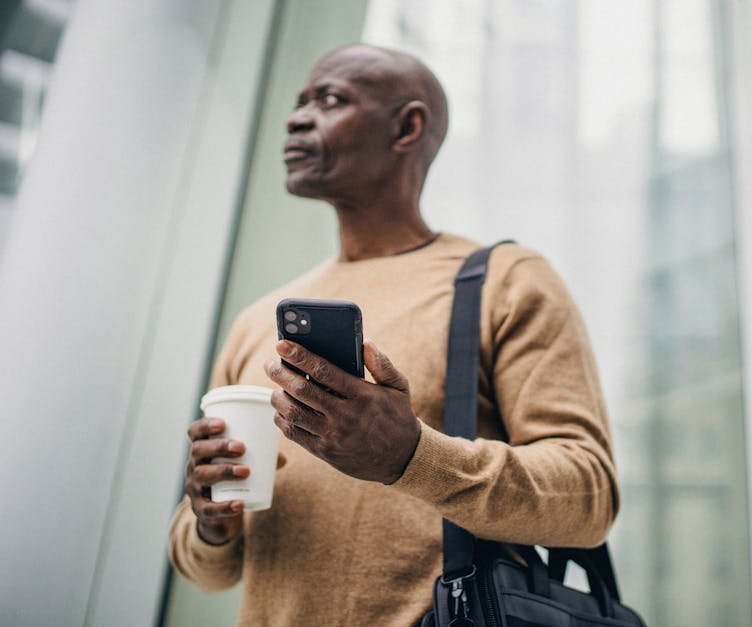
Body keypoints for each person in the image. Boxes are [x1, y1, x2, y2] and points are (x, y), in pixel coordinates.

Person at [168, 43, 619, 626]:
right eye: (299, 101)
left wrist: (411, 455)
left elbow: (589, 498)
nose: (296, 117)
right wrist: (210, 519)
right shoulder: (257, 321)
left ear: (407, 127)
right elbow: (210, 572)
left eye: (329, 99)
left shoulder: (503, 281)